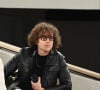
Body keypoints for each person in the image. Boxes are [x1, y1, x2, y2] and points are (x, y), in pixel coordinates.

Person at [4, 22, 72, 90]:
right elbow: (3, 72)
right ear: (36, 40)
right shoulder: (24, 53)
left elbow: (67, 85)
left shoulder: (58, 58)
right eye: (44, 38)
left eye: (51, 38)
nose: (48, 41)